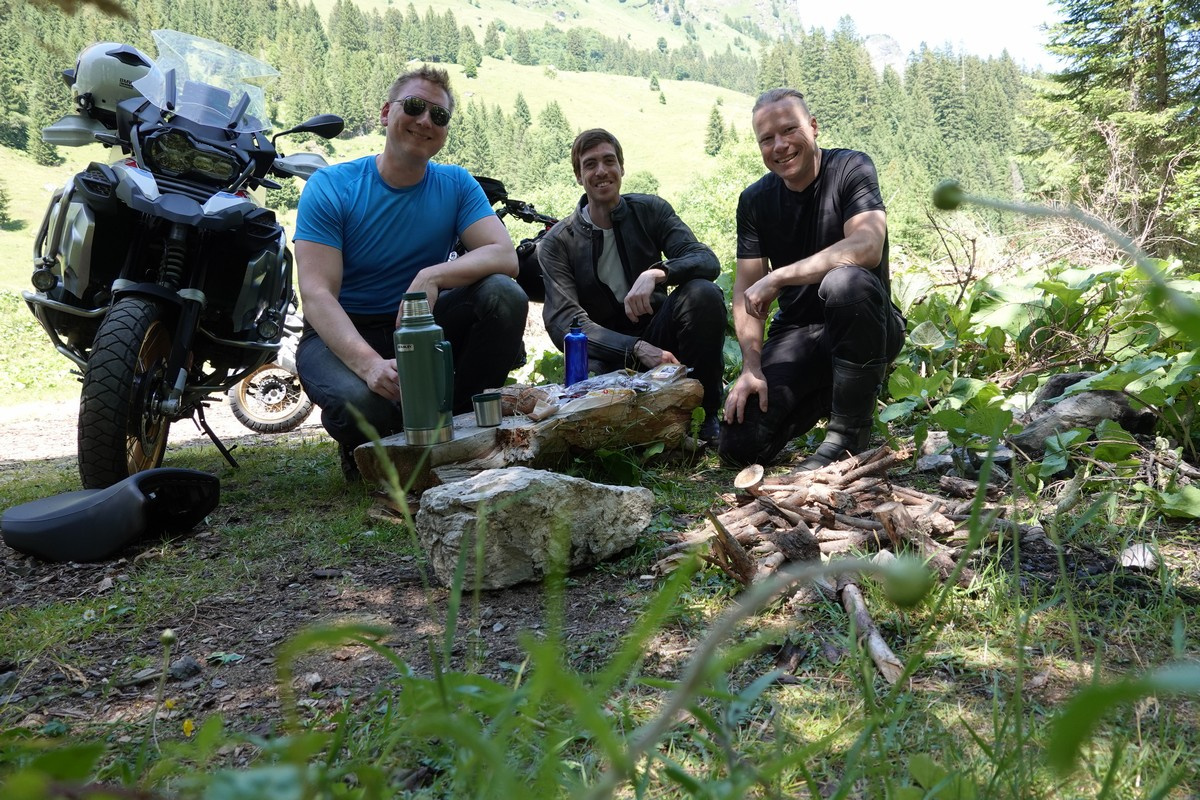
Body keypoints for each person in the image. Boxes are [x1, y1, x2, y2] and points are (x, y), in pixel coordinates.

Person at [294, 65, 526, 479]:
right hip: (344, 330)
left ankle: (456, 425)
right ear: (386, 113)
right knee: (363, 406)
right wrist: (369, 365)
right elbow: (316, 294)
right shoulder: (331, 186)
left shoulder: (456, 184)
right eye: (415, 106)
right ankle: (365, 440)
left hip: (420, 324)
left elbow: (504, 255)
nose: (425, 121)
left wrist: (431, 277)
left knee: (503, 295)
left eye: (439, 115)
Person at [720, 88, 905, 469]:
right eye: (767, 139)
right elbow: (744, 290)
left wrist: (780, 277)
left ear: (814, 127)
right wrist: (751, 367)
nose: (780, 145)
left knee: (844, 283)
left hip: (867, 322)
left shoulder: (852, 168)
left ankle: (848, 434)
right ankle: (837, 393)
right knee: (739, 444)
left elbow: (867, 246)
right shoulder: (754, 201)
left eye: (790, 130)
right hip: (797, 335)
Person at [538, 128, 727, 442]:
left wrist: (658, 273)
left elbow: (705, 259)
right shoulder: (558, 242)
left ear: (622, 168)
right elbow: (563, 321)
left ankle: (705, 417)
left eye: (609, 161)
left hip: (661, 338)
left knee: (702, 294)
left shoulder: (650, 211)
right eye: (590, 164)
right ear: (579, 176)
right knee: (592, 384)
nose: (602, 171)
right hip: (608, 354)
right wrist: (636, 348)